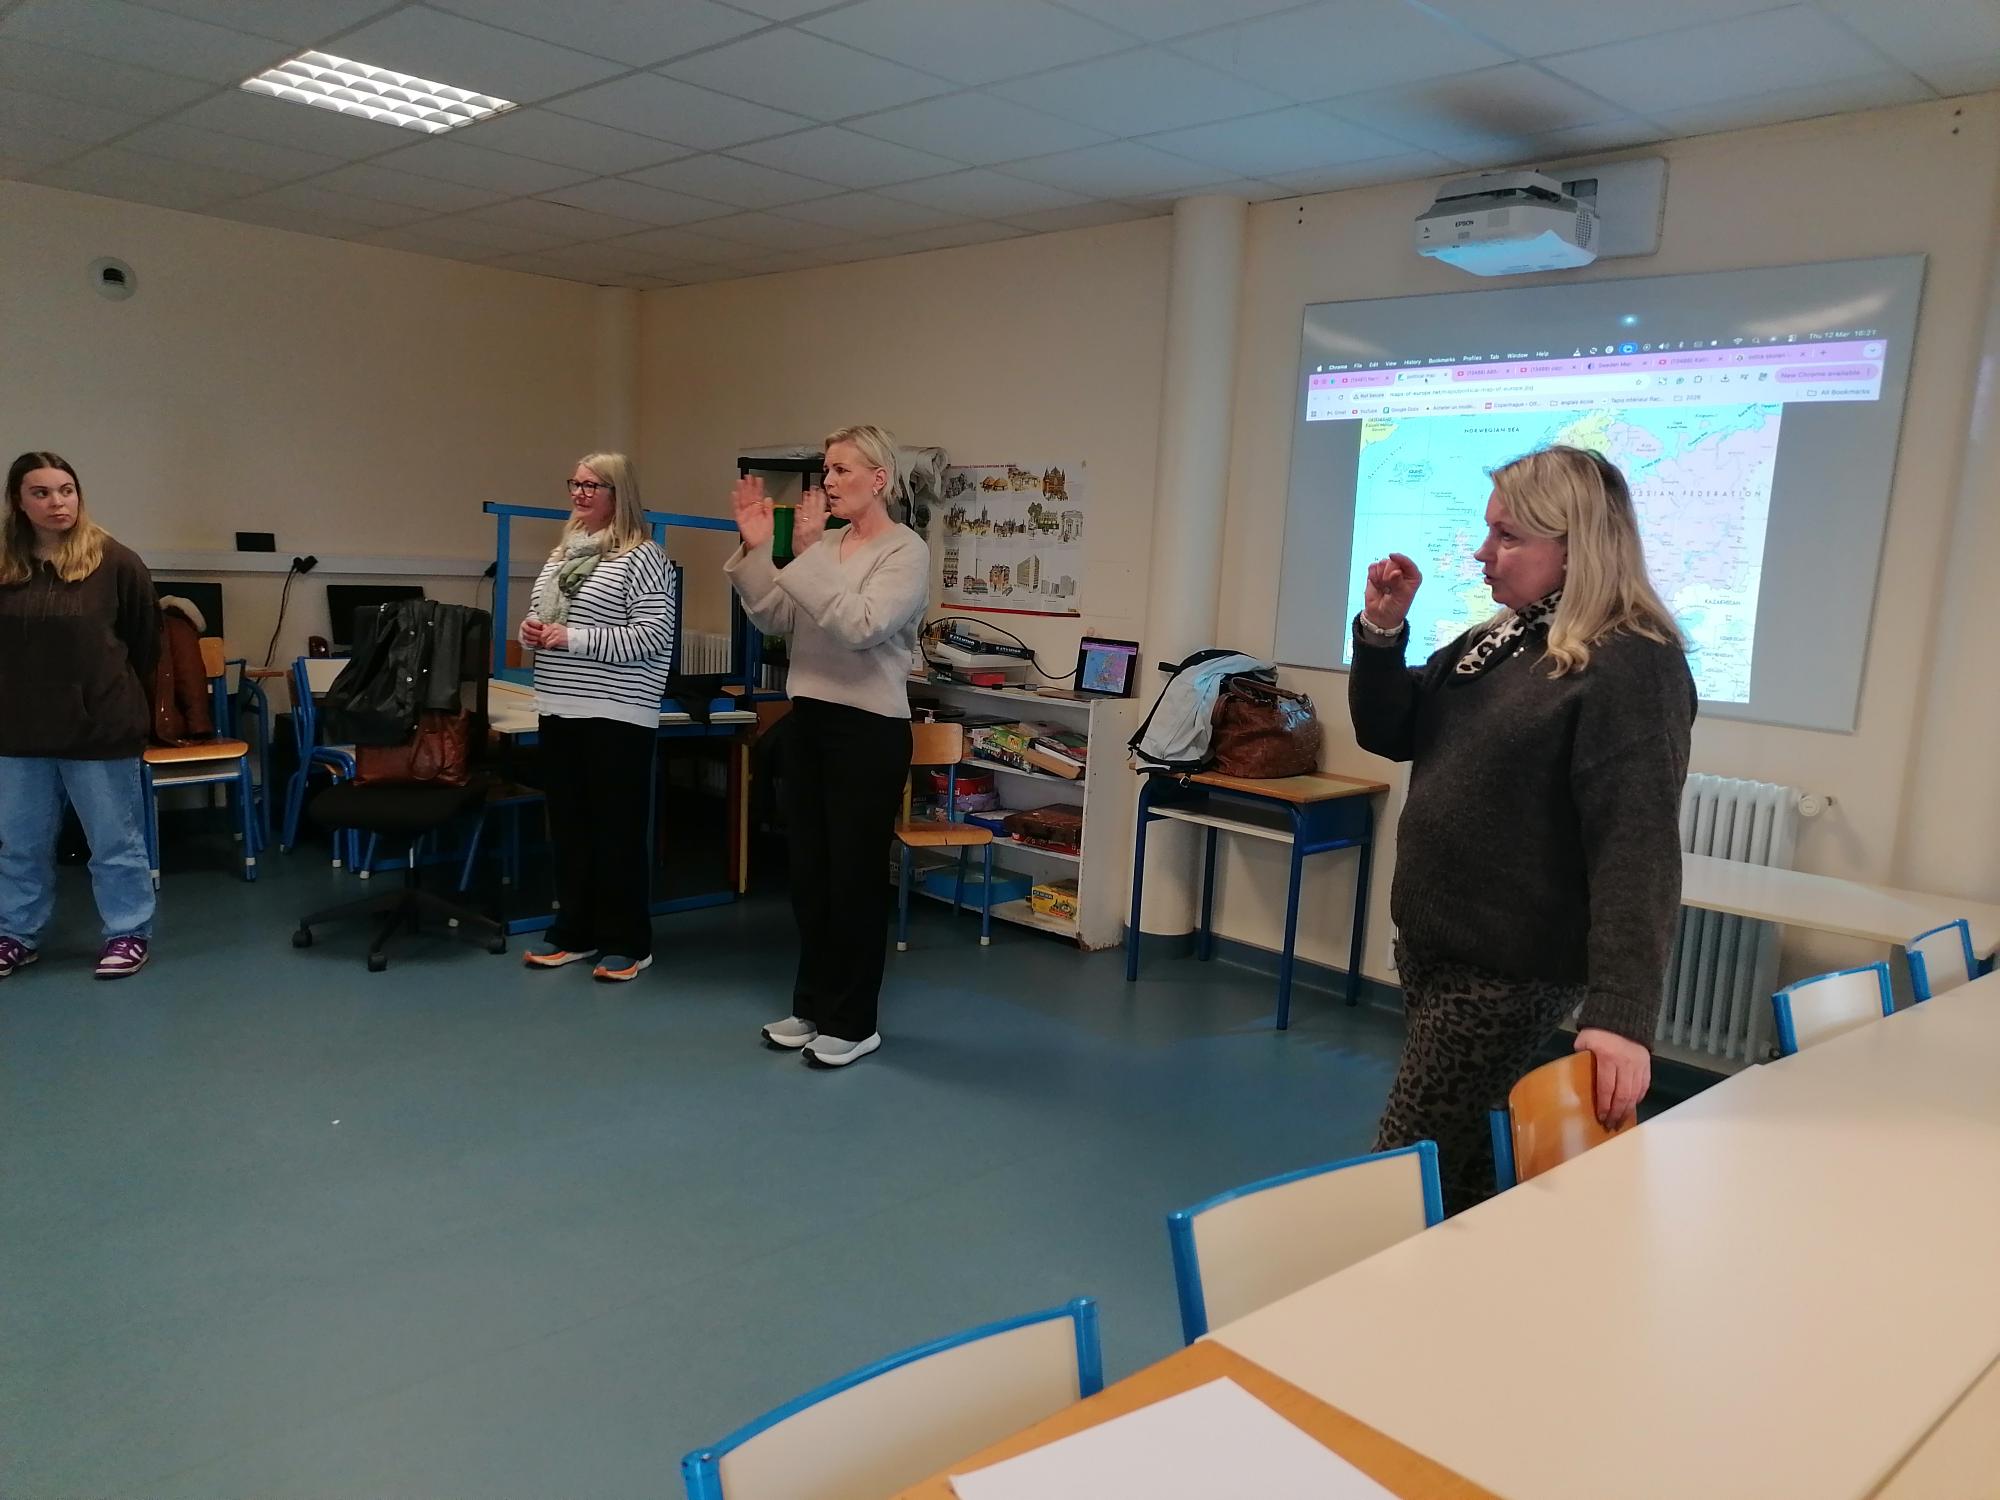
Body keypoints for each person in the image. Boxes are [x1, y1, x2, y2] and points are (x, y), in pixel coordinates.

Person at [1348, 445, 1695, 1214]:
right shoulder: (1502, 640)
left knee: (1403, 1170)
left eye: (1507, 536)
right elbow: (1392, 729)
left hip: (1508, 972)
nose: (1483, 552)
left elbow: (1636, 848)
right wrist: (1380, 632)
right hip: (1437, 950)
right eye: (1488, 531)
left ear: (1576, 547)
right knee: (1466, 1164)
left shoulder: (1632, 665)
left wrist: (1621, 1017)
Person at [725, 425, 930, 1069]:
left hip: (867, 731)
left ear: (880, 479)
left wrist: (806, 557)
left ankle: (854, 1021)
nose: (829, 482)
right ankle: (812, 1006)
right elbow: (776, 616)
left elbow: (861, 625)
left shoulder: (906, 551)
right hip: (811, 721)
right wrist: (760, 550)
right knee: (810, 876)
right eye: (827, 469)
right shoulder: (829, 545)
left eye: (842, 469)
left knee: (853, 880)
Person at [0, 452, 160, 981]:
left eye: (66, 490)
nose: (57, 502)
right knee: (20, 845)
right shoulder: (4, 565)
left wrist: (109, 700)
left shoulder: (116, 562)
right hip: (18, 732)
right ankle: (16, 933)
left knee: (114, 843)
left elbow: (144, 645)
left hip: (99, 728)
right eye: (41, 492)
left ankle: (128, 931)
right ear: (19, 502)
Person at [518, 453, 675, 983]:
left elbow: (652, 636)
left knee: (616, 834)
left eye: (593, 486)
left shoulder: (643, 557)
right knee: (570, 830)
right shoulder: (563, 553)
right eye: (576, 484)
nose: (580, 494)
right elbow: (540, 617)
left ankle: (628, 942)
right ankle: (574, 933)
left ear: (618, 494)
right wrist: (530, 633)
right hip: (560, 706)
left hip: (616, 714)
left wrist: (572, 637)